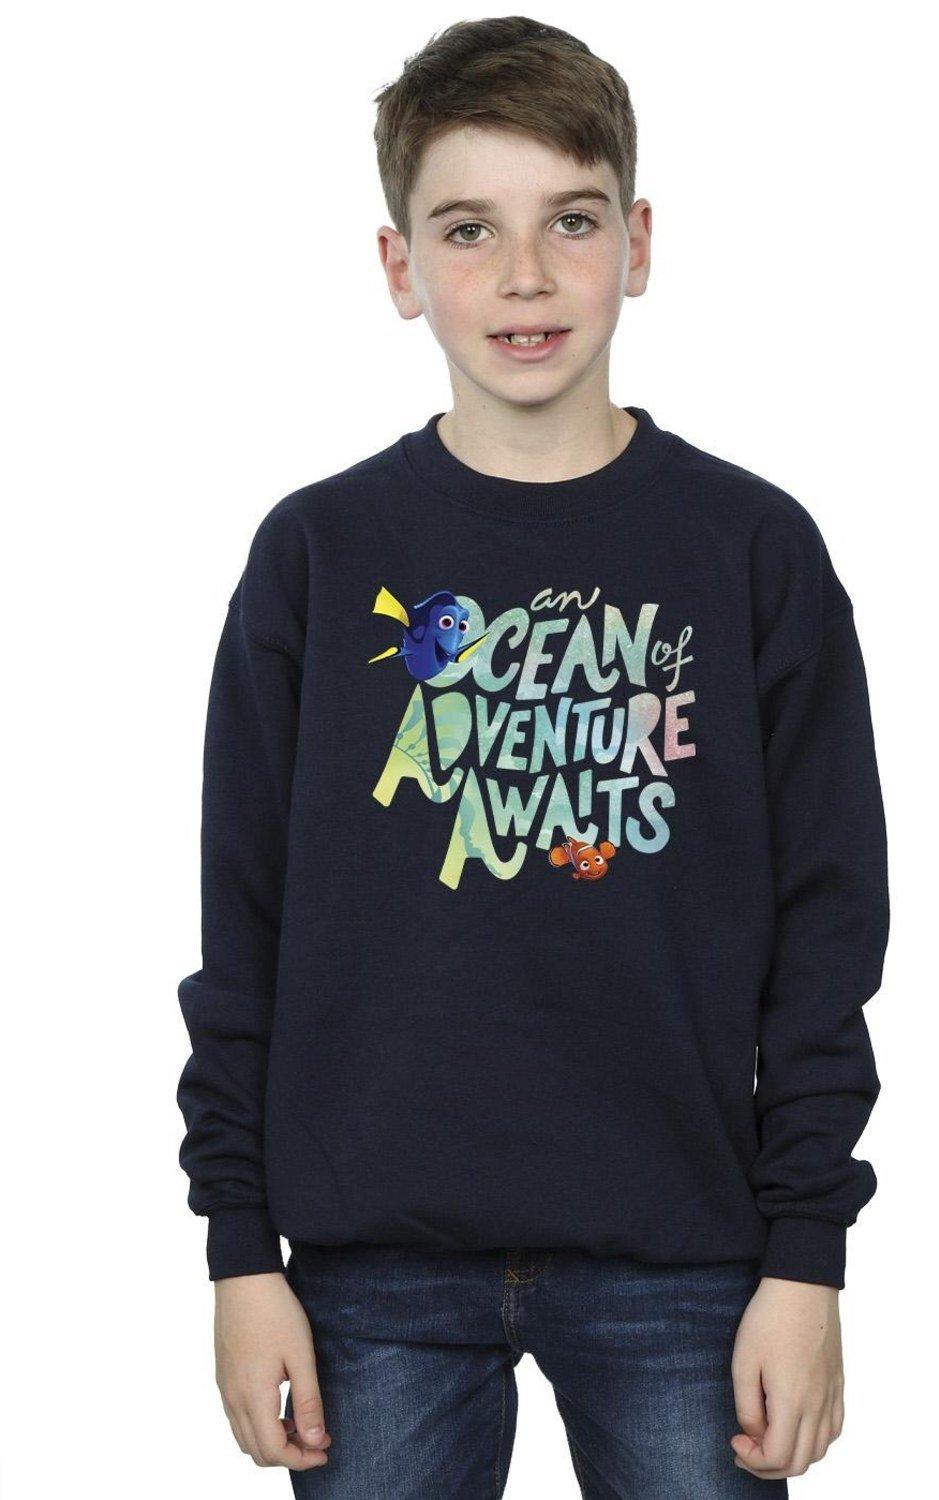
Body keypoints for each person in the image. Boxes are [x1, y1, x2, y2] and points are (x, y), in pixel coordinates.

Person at [175, 16, 890, 1496]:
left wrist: (808, 1258)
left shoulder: (753, 550)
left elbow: (829, 929)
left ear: (638, 241)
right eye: (467, 230)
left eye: (570, 220)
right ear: (399, 267)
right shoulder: (318, 555)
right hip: (371, 1265)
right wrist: (239, 1249)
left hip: (687, 1259)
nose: (523, 276)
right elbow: (241, 922)